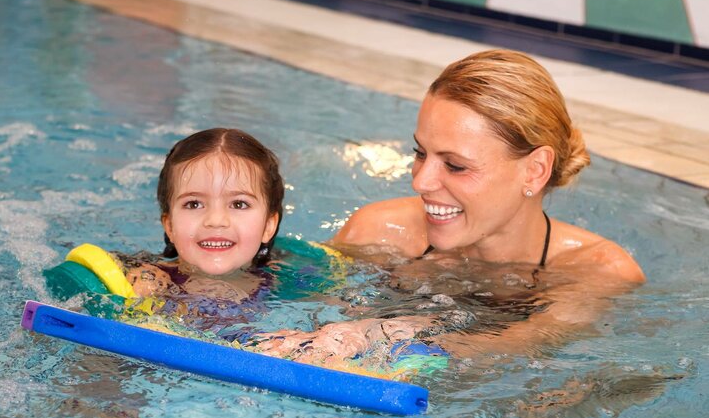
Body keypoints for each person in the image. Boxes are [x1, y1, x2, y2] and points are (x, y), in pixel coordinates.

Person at [260, 49, 645, 363]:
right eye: (420, 153)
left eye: (456, 165)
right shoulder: (377, 232)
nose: (421, 182)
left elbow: (522, 345)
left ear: (534, 170)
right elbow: (294, 297)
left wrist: (385, 333)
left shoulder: (597, 272)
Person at [121, 127, 285, 334]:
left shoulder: (290, 281)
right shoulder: (146, 281)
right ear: (169, 225)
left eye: (239, 204)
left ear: (268, 226)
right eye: (194, 204)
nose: (216, 220)